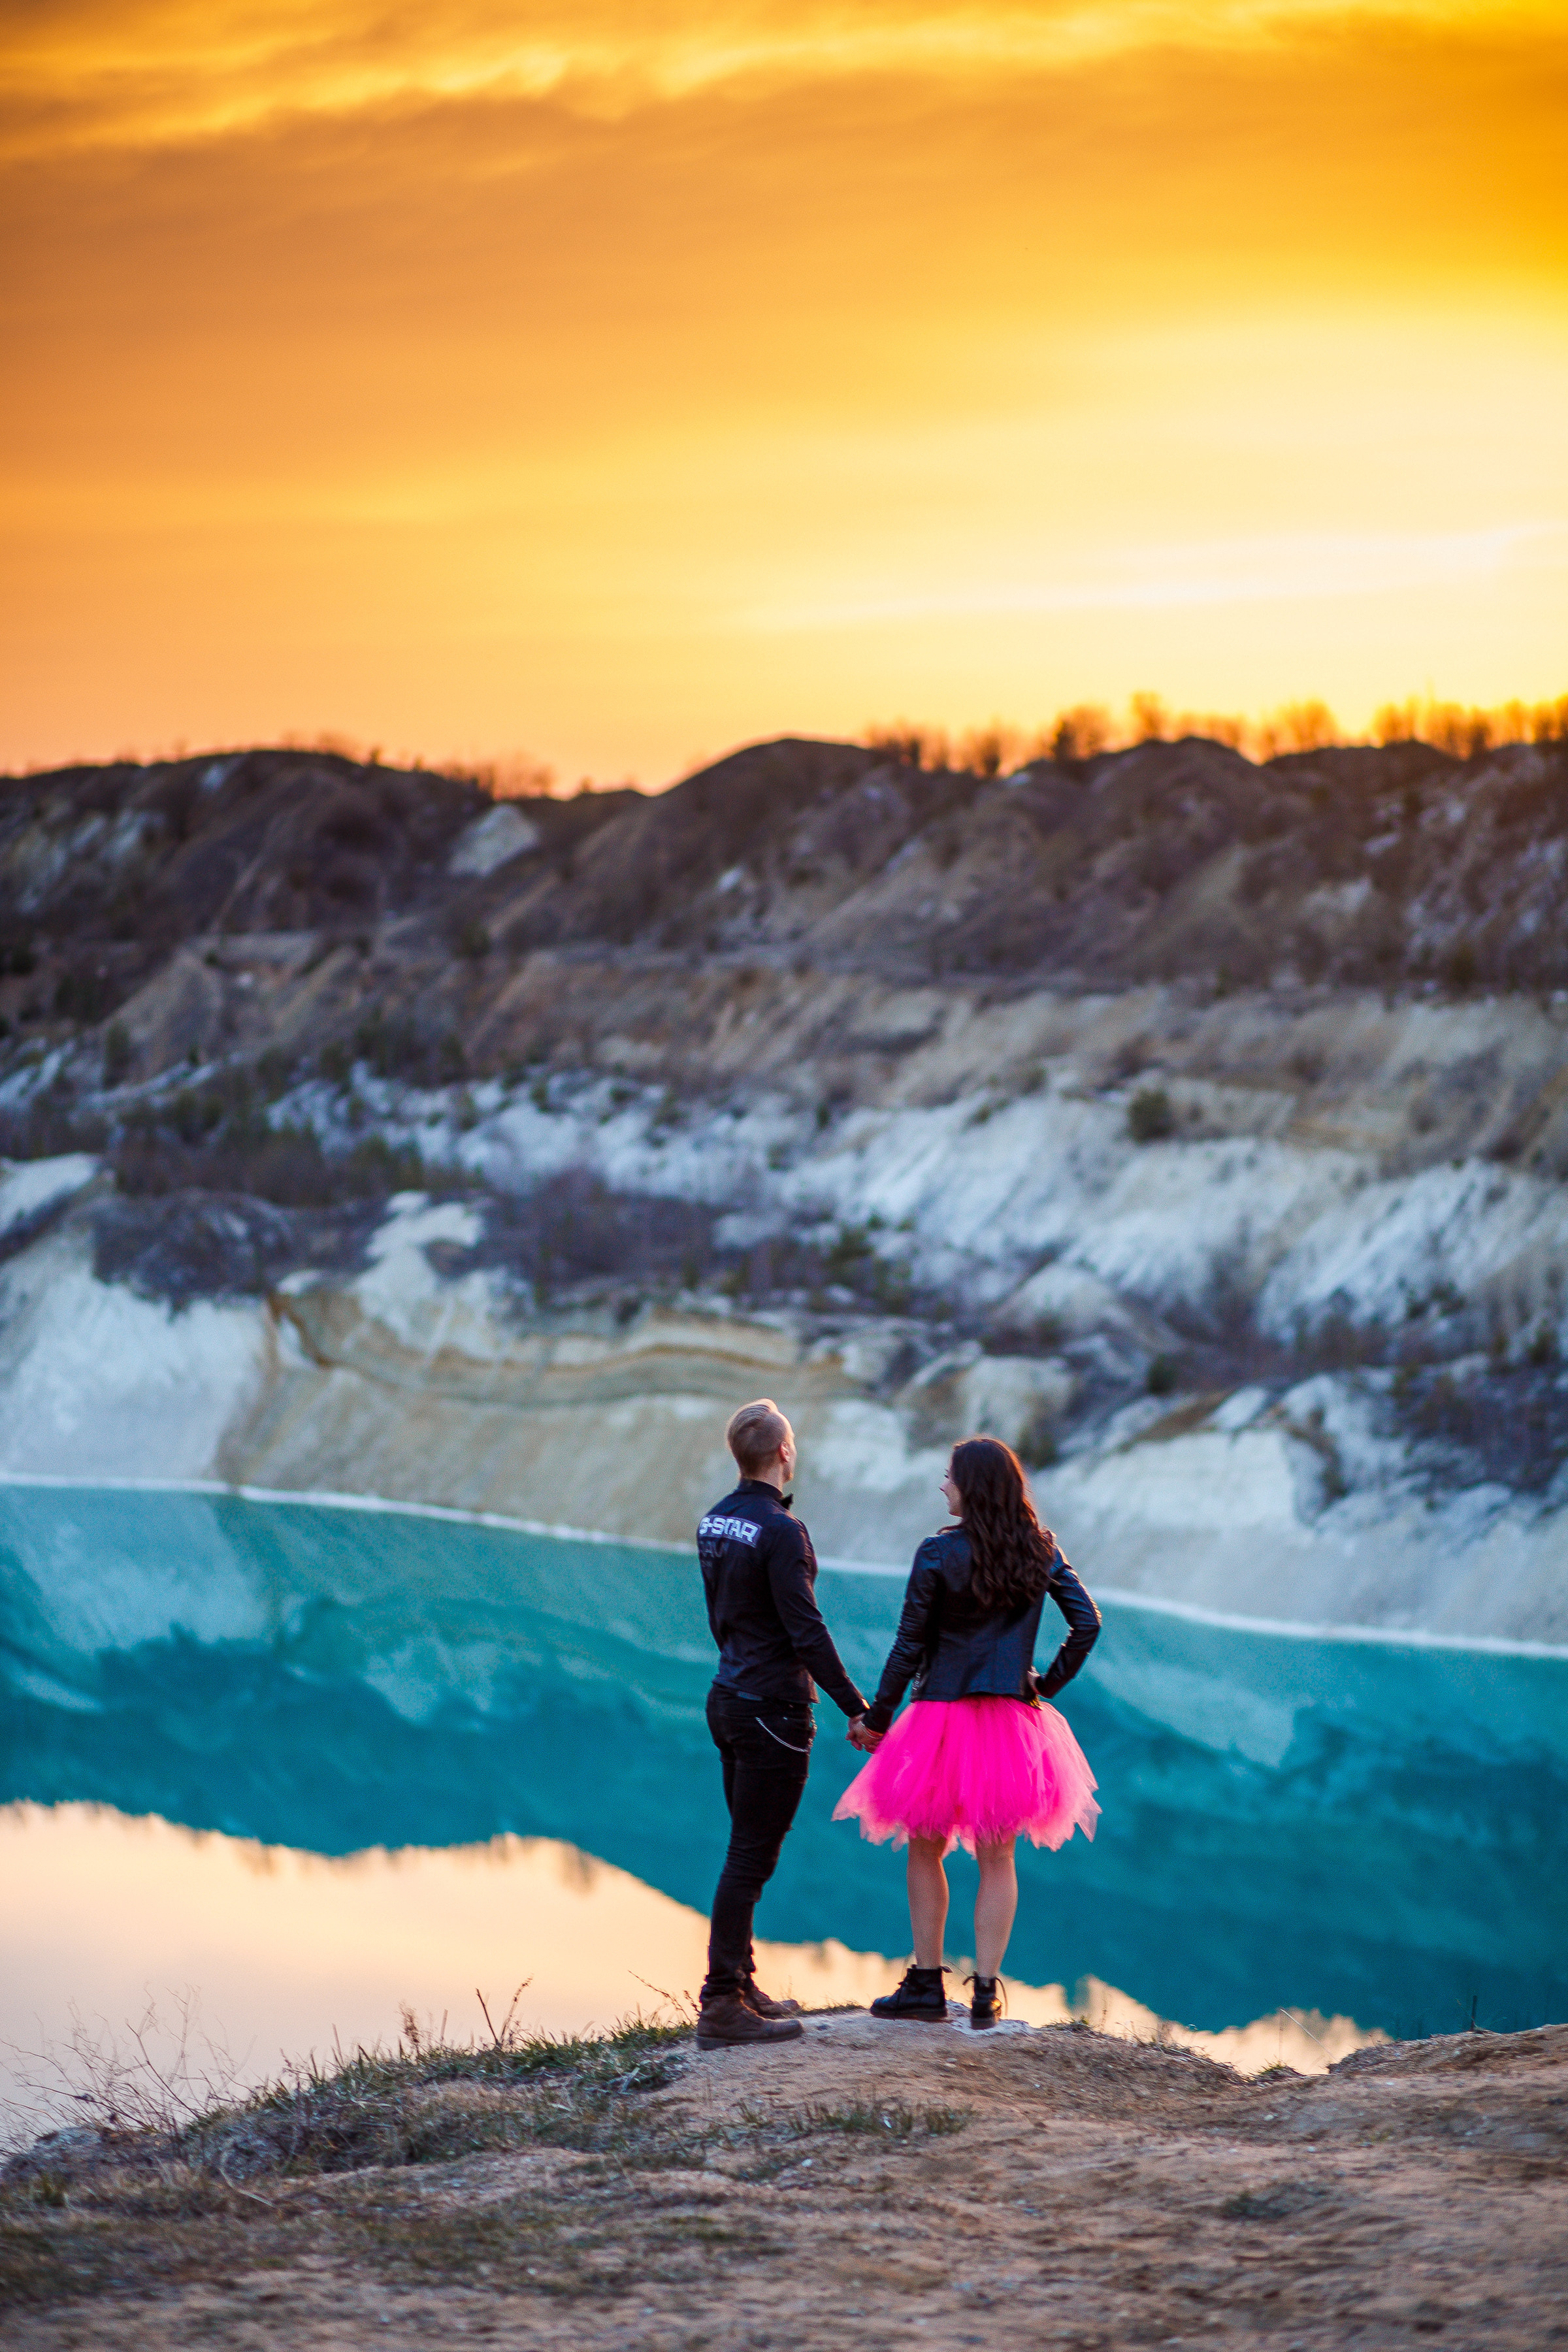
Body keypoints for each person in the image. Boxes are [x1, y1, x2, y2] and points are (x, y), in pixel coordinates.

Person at [834, 1435, 1101, 2029]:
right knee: (997, 1856)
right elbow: (1086, 1623)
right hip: (1012, 1720)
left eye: (949, 1476)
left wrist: (877, 1720)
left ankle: (927, 1986)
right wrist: (1045, 1686)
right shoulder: (1040, 1548)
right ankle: (985, 1994)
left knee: (926, 1849)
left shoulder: (936, 1552)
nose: (942, 1486)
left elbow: (908, 1647)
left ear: (971, 1486)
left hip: (939, 1717)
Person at [695, 1397, 872, 2050]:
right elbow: (806, 1631)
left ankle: (741, 1983)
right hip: (772, 1708)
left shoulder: (715, 1521)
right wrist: (859, 1709)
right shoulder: (781, 1531)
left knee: (744, 1846)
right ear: (785, 1455)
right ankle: (720, 2005)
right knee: (749, 1857)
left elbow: (727, 1614)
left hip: (727, 1697)